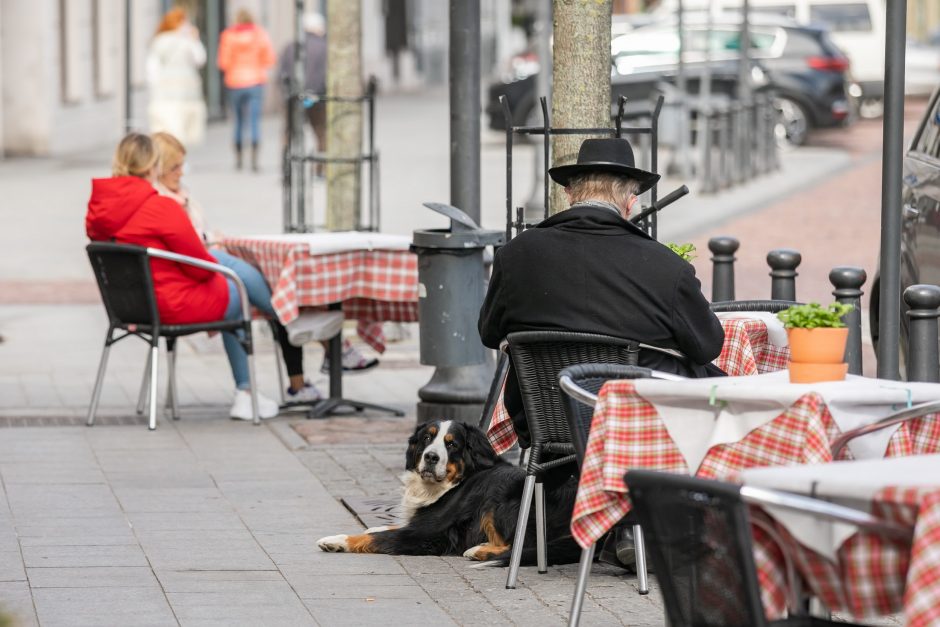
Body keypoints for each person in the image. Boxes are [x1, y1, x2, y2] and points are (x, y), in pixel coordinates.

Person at [478, 137, 725, 569]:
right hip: (640, 425)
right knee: (709, 381)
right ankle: (660, 524)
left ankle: (612, 524)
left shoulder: (516, 255)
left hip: (545, 423)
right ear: (629, 199)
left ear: (570, 193)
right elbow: (707, 344)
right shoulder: (664, 266)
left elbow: (488, 333)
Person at [86, 133, 320, 421]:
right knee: (238, 288)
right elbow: (198, 265)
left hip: (131, 308)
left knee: (230, 278)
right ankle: (273, 346)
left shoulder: (99, 213)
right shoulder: (160, 207)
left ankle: (275, 340)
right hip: (173, 306)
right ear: (153, 167)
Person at [150, 132, 376, 379]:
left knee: (267, 285)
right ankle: (294, 326)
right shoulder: (163, 203)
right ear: (159, 168)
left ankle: (288, 379)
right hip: (188, 284)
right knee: (251, 291)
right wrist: (208, 242)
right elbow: (187, 248)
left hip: (194, 275)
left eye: (182, 165)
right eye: (175, 167)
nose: (181, 172)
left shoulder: (179, 197)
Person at [217, 8, 275, 171]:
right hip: (255, 80)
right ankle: (255, 159)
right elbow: (269, 59)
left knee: (238, 121)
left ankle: (239, 159)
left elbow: (223, 63)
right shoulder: (260, 34)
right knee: (254, 120)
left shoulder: (228, 36)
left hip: (234, 81)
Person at [146, 7, 207, 147]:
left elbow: (151, 71)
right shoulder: (187, 42)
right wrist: (195, 40)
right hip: (184, 95)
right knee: (180, 133)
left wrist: (155, 90)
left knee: (167, 132)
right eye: (184, 22)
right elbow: (201, 59)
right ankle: (176, 163)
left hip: (164, 95)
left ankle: (171, 162)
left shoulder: (158, 41)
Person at [277, 11, 327, 177]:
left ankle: (286, 168)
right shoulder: (324, 46)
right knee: (321, 133)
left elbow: (281, 74)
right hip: (318, 97)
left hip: (294, 97)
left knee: (288, 134)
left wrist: (288, 92)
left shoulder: (290, 46)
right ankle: (319, 169)